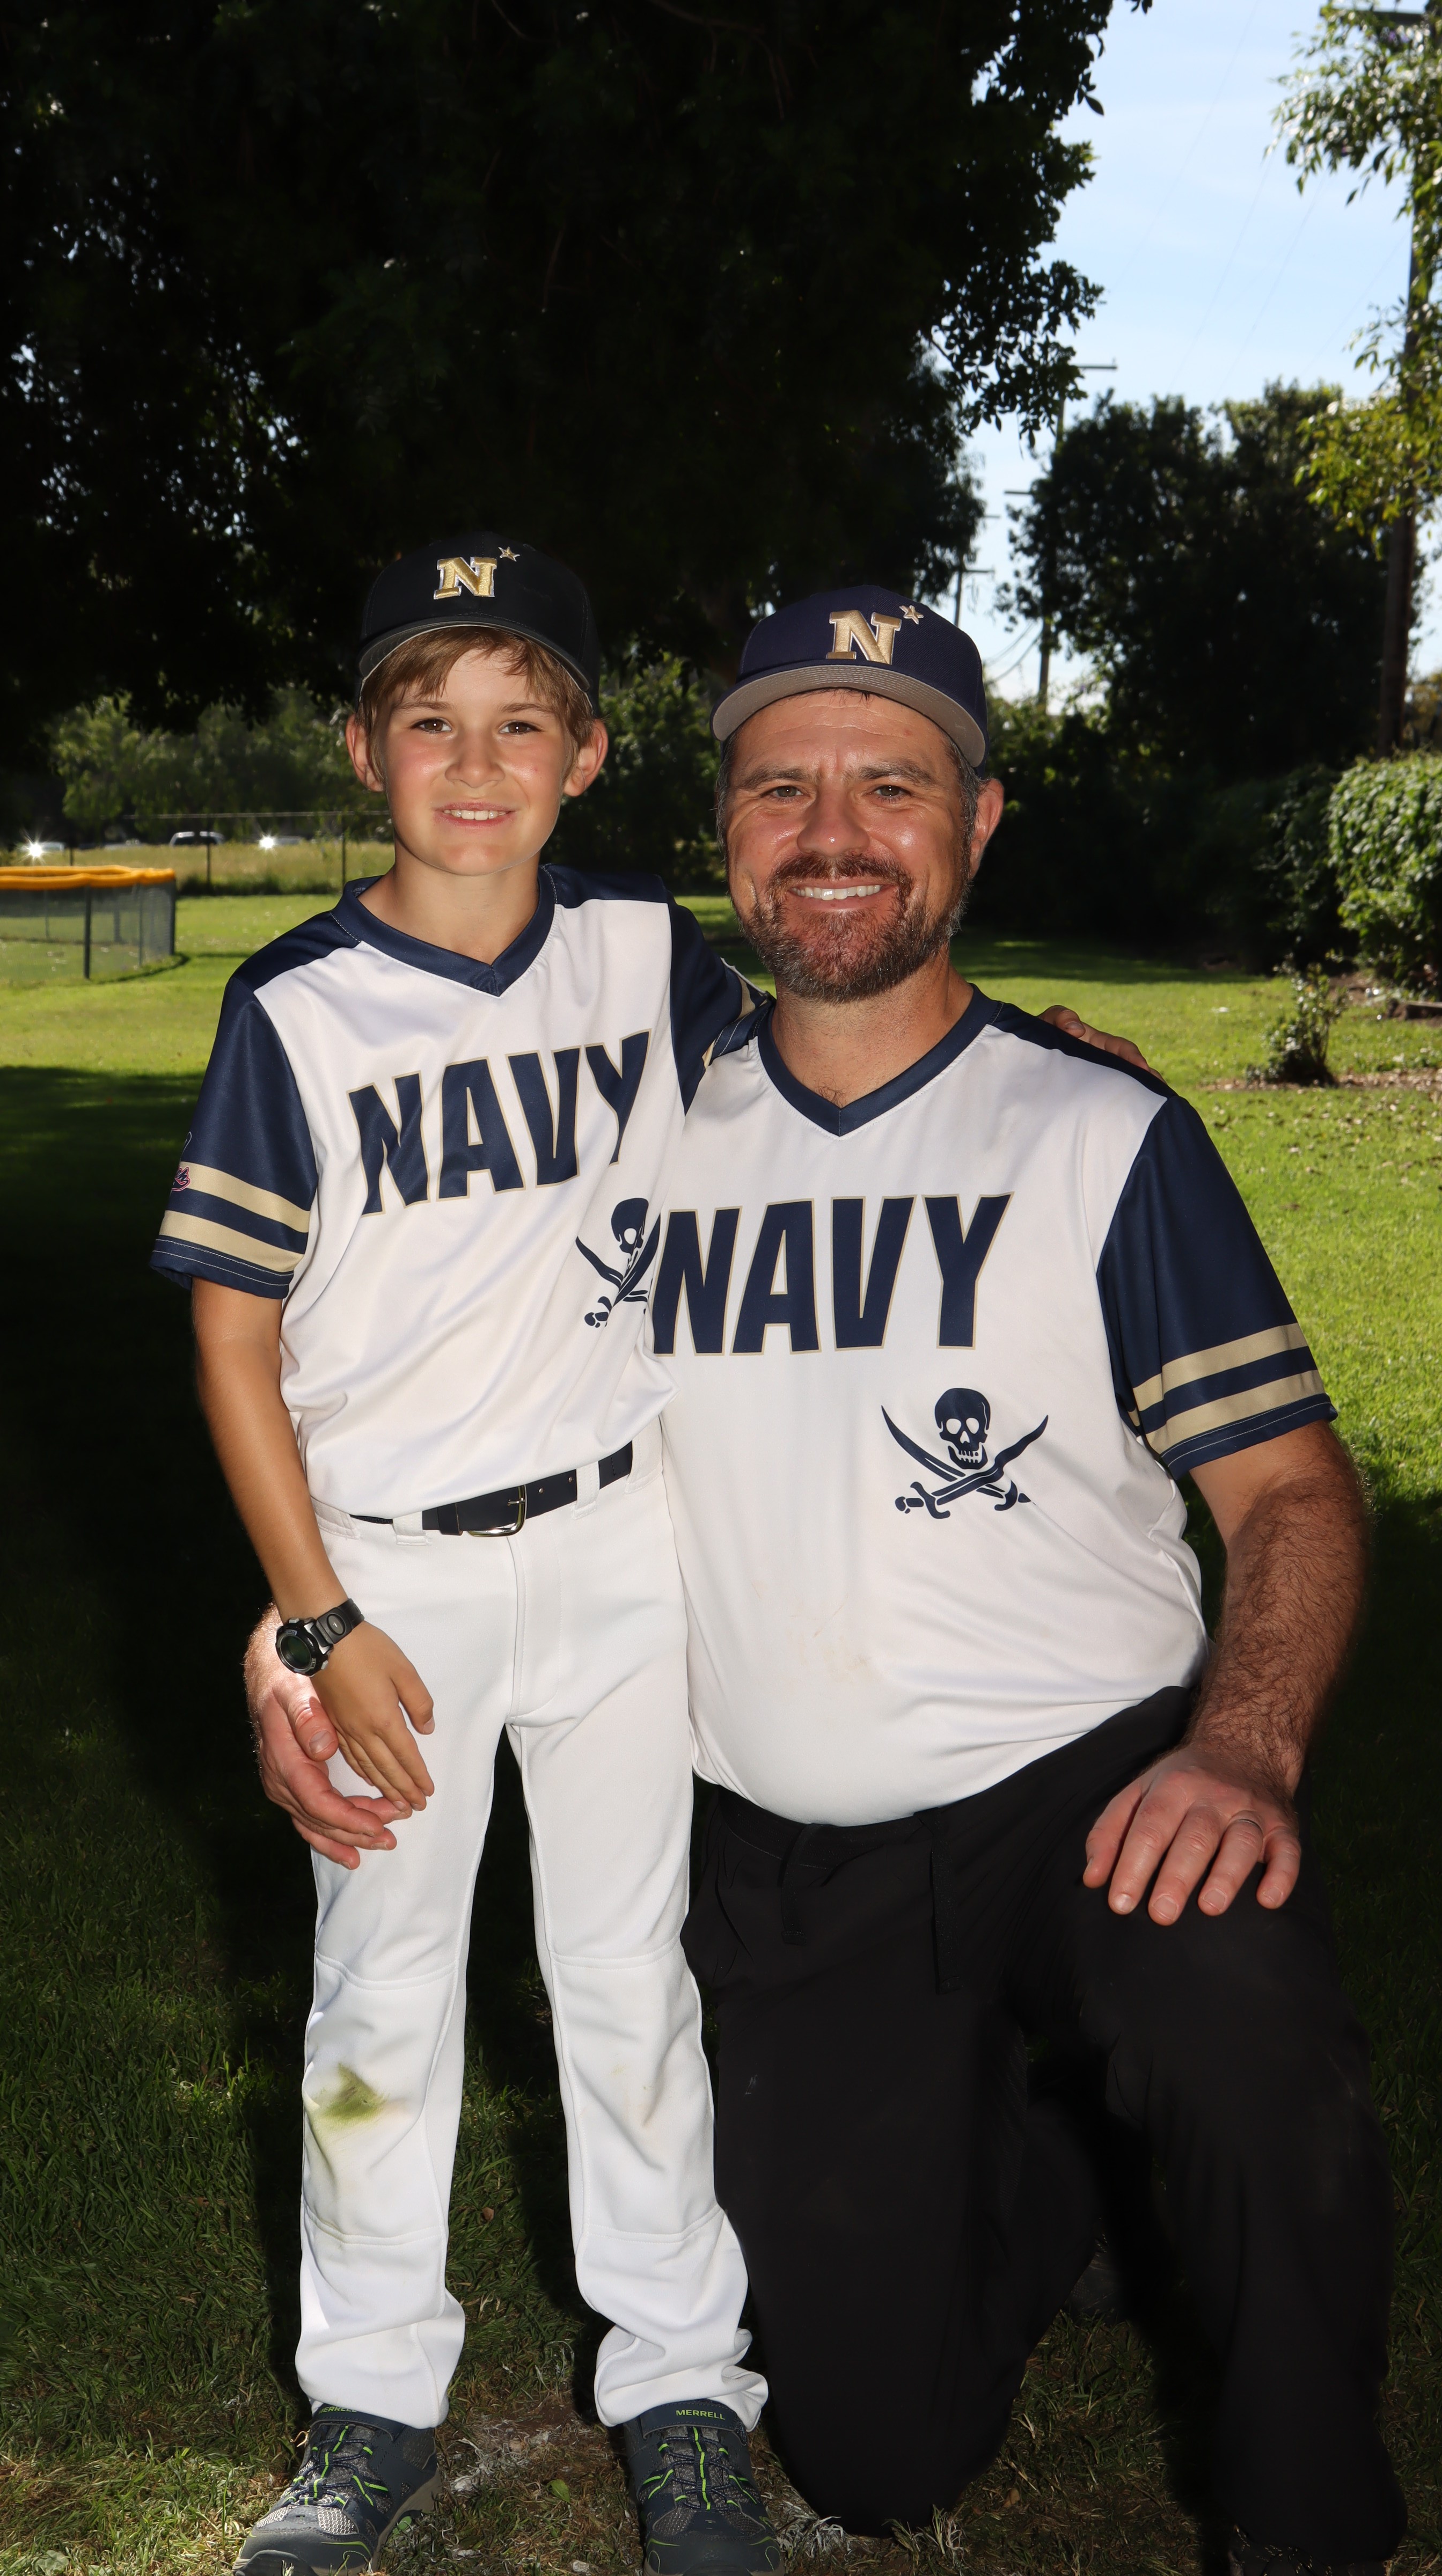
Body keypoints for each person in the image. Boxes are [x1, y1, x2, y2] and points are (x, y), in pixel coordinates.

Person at [646, 589, 1402, 2575]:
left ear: (978, 825)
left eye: (893, 786)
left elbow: (1295, 1497)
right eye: (782, 787)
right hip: (794, 1846)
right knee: (870, 2458)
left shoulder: (1101, 1131)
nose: (833, 832)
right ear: (723, 828)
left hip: (1091, 1783)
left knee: (1236, 2022)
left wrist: (1243, 1752)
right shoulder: (628, 1134)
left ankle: (1308, 2521)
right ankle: (1061, 2154)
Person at [152, 534, 786, 2576]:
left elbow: (815, 1087)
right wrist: (313, 1614)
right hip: (392, 1580)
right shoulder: (296, 1006)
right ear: (364, 752)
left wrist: (1028, 1043)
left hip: (620, 1545)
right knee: (382, 1997)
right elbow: (232, 1338)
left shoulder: (648, 951)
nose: (479, 762)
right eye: (431, 722)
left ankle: (681, 2384)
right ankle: (370, 2402)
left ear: (590, 754)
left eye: (525, 722)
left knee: (626, 1980)